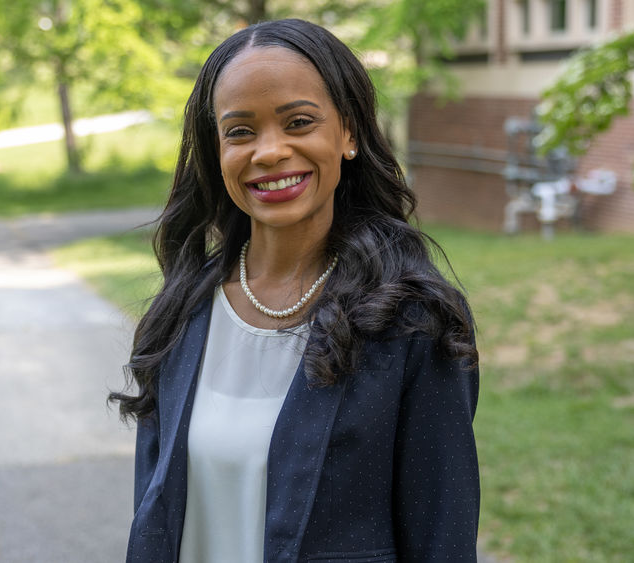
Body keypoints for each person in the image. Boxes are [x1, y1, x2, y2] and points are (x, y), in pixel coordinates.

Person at [110, 18, 480, 563]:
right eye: (240, 131)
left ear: (348, 132)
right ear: (217, 150)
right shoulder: (182, 312)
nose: (269, 152)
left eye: (299, 122)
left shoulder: (413, 321)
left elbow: (440, 539)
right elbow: (154, 517)